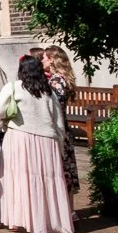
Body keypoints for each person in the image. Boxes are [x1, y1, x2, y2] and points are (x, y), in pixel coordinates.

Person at [0, 56, 76, 233]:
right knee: (46, 181)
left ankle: (16, 220)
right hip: (47, 141)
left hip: (19, 137)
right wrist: (60, 143)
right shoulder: (49, 92)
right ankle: (45, 221)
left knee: (17, 179)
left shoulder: (14, 87)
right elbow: (58, 121)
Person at [41, 46, 81, 197]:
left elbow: (54, 106)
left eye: (44, 58)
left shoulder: (56, 80)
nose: (42, 61)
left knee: (61, 169)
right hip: (64, 126)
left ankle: (65, 207)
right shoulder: (63, 77)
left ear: (51, 59)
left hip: (58, 128)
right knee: (66, 169)